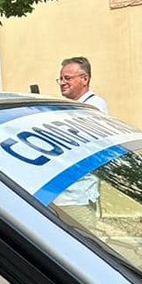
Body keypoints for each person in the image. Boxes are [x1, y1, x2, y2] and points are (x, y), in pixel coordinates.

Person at [57, 57, 108, 211]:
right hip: (64, 193)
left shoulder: (92, 107)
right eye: (60, 79)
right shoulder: (71, 106)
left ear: (85, 79)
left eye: (67, 78)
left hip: (77, 195)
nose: (62, 83)